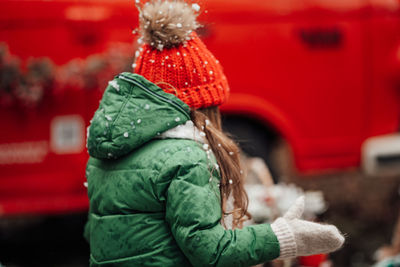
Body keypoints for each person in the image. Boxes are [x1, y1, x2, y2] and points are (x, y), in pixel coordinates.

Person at [84, 1, 345, 266]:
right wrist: (282, 237)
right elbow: (211, 251)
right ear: (203, 104)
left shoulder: (106, 151)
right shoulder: (186, 158)